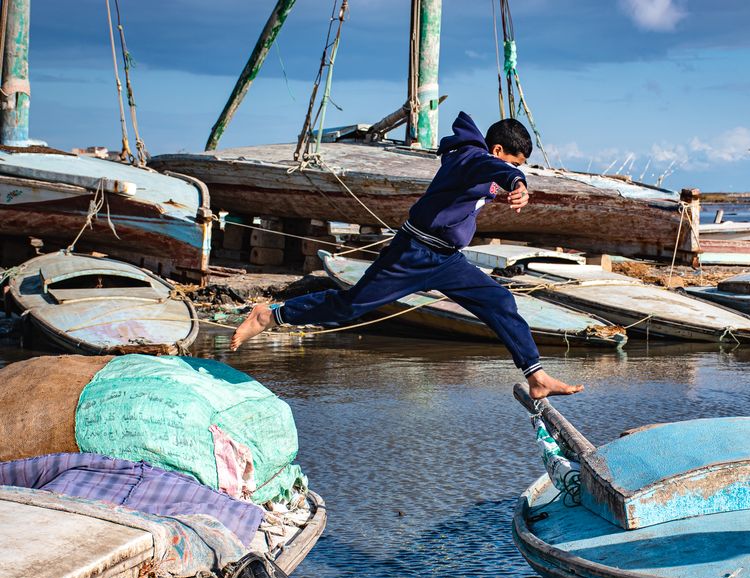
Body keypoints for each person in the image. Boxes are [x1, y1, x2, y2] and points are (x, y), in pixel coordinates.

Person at [231, 112, 583, 399]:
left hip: (447, 259)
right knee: (349, 307)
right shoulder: (470, 158)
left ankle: (536, 377)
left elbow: (489, 178)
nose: (519, 169)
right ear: (497, 149)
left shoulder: (480, 163)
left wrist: (508, 183)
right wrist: (517, 182)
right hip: (413, 253)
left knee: (500, 301)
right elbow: (495, 170)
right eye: (516, 161)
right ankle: (270, 315)